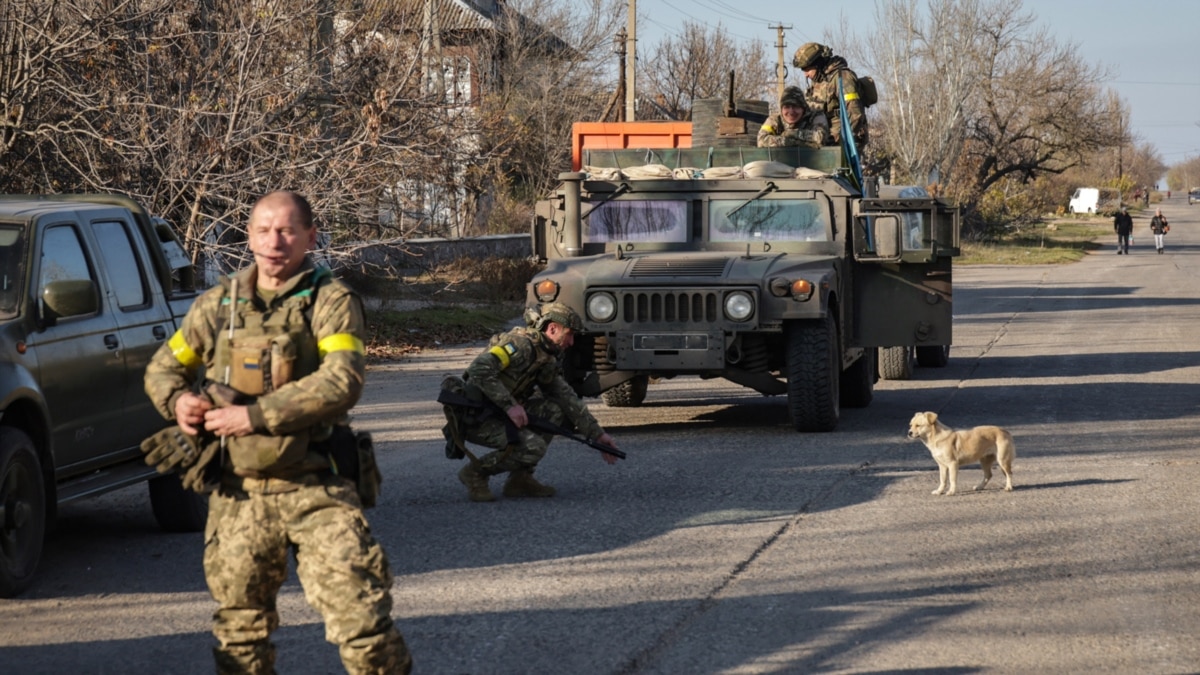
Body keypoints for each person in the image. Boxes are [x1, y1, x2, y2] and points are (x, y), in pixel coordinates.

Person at [143, 191, 411, 674]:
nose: (275, 242)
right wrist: (179, 401)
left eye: (287, 231)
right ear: (248, 236)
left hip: (317, 487)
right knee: (240, 640)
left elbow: (342, 379)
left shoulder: (330, 301)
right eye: (264, 230)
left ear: (310, 236)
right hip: (239, 494)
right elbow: (163, 369)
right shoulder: (217, 306)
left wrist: (255, 416)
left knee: (364, 628)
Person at [442, 302, 620, 502]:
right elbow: (479, 370)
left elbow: (566, 397)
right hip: (477, 418)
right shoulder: (518, 345)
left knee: (555, 410)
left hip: (498, 413)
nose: (571, 342)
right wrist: (511, 407)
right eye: (569, 334)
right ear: (553, 328)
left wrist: (597, 434)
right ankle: (475, 473)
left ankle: (520, 478)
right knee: (533, 446)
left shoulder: (546, 358)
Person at [792, 42, 869, 147]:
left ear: (818, 64)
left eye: (807, 69)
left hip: (846, 140)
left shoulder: (843, 78)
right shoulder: (819, 79)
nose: (806, 75)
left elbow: (855, 114)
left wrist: (841, 139)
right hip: (826, 138)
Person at [757, 85, 830, 148]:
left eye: (795, 106)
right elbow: (761, 140)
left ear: (803, 108)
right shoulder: (775, 119)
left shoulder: (815, 115)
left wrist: (795, 133)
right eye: (787, 107)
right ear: (781, 109)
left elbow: (821, 137)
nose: (791, 112)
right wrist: (788, 142)